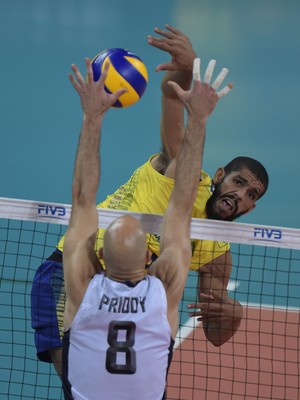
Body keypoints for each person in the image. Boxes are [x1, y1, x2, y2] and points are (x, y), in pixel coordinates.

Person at [31, 25, 269, 379]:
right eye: (239, 182)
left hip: (134, 299)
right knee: (80, 381)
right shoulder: (180, 172)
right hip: (74, 274)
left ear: (252, 208)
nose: (241, 195)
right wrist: (185, 69)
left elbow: (215, 337)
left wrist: (232, 314)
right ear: (219, 176)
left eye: (252, 195)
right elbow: (172, 101)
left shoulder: (218, 255)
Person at [61, 56, 232, 399]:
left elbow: (82, 199)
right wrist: (198, 120)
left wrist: (92, 116)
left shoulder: (82, 286)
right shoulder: (162, 290)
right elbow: (182, 207)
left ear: (100, 259)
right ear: (149, 261)